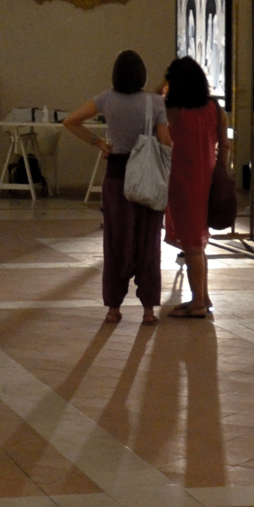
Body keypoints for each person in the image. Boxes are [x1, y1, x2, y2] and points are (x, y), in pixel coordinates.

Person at [63, 49, 171, 325]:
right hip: (147, 176)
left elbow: (71, 121)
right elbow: (166, 142)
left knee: (115, 242)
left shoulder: (105, 99)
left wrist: (99, 143)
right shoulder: (155, 102)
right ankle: (148, 310)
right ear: (142, 74)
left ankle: (113, 307)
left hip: (116, 175)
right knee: (148, 242)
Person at [161, 55, 226, 319]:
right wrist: (222, 170)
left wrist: (163, 83)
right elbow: (225, 144)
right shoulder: (214, 107)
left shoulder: (173, 109)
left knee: (192, 245)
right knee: (197, 242)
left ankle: (197, 302)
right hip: (206, 177)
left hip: (181, 179)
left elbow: (152, 100)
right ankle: (203, 296)